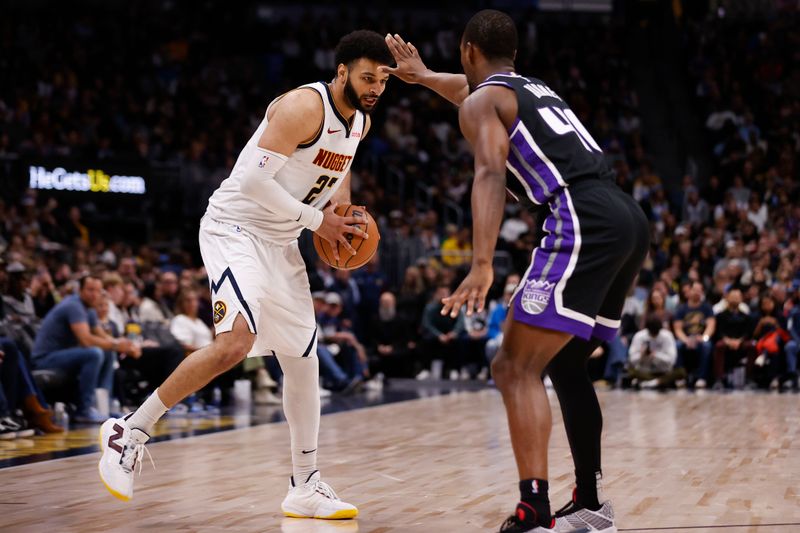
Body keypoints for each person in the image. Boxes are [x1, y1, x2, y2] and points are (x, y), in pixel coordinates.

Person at [98, 30, 393, 521]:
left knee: (304, 359)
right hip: (236, 227)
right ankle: (129, 430)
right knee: (236, 341)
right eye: (367, 77)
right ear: (341, 71)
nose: (375, 87)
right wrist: (320, 221)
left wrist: (341, 217)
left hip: (281, 240)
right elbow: (253, 181)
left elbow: (340, 173)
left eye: (383, 80)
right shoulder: (303, 107)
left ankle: (305, 484)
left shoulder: (359, 121)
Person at [384, 11, 649, 532]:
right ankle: (591, 506)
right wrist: (422, 77)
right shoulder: (531, 89)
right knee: (567, 363)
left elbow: (487, 170)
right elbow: (469, 89)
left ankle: (534, 511)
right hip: (626, 217)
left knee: (512, 366)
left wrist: (482, 264)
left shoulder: (485, 101)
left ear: (466, 50)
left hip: (580, 218)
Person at [31, 276, 139, 423]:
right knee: (94, 353)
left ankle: (104, 405)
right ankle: (84, 409)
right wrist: (117, 345)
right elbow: (86, 340)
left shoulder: (89, 308)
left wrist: (124, 345)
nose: (94, 294)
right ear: (80, 290)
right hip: (45, 358)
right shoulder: (74, 305)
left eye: (97, 290)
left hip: (66, 355)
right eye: (90, 290)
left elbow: (102, 336)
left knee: (107, 351)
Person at [627, 317, 685, 389]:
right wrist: (641, 356)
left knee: (681, 372)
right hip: (644, 371)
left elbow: (672, 360)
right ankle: (658, 382)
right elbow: (631, 360)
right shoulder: (639, 336)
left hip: (663, 372)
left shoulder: (667, 336)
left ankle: (650, 383)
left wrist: (655, 355)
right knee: (630, 371)